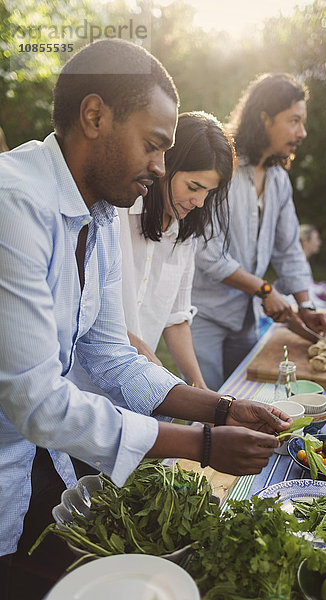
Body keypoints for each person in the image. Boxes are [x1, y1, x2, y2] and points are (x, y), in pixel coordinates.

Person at [0, 40, 291, 599]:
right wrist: (202, 444)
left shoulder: (101, 212)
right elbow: (37, 401)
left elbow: (110, 355)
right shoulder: (16, 204)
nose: (160, 167)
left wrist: (224, 407)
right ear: (95, 116)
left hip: (42, 462)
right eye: (154, 146)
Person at [191, 73, 326, 391]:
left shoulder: (279, 180)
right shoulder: (221, 166)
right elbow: (207, 253)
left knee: (245, 400)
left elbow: (289, 250)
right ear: (264, 118)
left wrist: (306, 306)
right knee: (208, 406)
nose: (303, 132)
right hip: (204, 315)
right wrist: (266, 291)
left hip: (246, 316)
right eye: (294, 121)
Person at [119, 111, 233, 389]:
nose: (200, 202)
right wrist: (149, 362)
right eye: (194, 187)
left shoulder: (184, 234)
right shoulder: (117, 214)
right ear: (164, 166)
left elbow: (176, 318)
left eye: (209, 192)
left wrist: (200, 388)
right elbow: (90, 308)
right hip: (80, 382)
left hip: (132, 385)